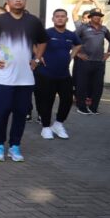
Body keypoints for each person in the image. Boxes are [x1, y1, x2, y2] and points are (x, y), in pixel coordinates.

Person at [0, 0, 47, 162]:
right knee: (1, 113)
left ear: (25, 1)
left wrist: (37, 59)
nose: (18, 0)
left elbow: (43, 40)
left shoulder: (33, 21)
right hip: (3, 78)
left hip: (25, 78)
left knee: (21, 114)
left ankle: (15, 146)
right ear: (8, 1)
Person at [35, 9, 82, 139]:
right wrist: (39, 56)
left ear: (67, 19)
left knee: (67, 100)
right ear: (53, 19)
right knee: (47, 101)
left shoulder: (70, 35)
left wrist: (71, 56)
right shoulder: (46, 33)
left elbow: (78, 45)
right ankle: (45, 127)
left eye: (62, 16)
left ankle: (58, 124)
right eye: (57, 16)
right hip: (46, 74)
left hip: (64, 74)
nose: (60, 18)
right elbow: (33, 43)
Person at [74, 9, 110, 115]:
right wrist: (78, 54)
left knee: (98, 86)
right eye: (95, 15)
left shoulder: (104, 29)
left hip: (99, 62)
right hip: (85, 62)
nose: (97, 17)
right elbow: (72, 39)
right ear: (90, 17)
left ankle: (93, 108)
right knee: (82, 85)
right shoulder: (83, 28)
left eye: (99, 15)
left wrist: (109, 52)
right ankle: (81, 107)